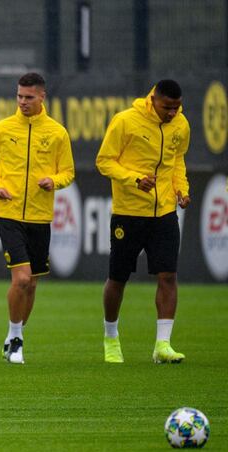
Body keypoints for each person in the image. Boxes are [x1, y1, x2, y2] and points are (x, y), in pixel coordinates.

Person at [0, 72, 75, 364]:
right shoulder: (3, 128)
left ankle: (14, 335)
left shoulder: (57, 133)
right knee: (21, 278)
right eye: (19, 96)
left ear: (42, 96)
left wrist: (53, 181)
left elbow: (68, 172)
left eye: (28, 97)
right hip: (8, 212)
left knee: (32, 284)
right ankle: (16, 338)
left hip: (41, 216)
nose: (22, 102)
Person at [95, 79, 191, 364]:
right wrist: (134, 179)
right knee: (118, 278)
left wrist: (181, 190)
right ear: (153, 99)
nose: (172, 113)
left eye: (176, 107)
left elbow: (177, 161)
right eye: (167, 107)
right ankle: (111, 336)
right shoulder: (126, 121)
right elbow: (104, 161)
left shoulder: (181, 125)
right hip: (128, 212)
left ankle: (163, 344)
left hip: (164, 212)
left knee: (168, 276)